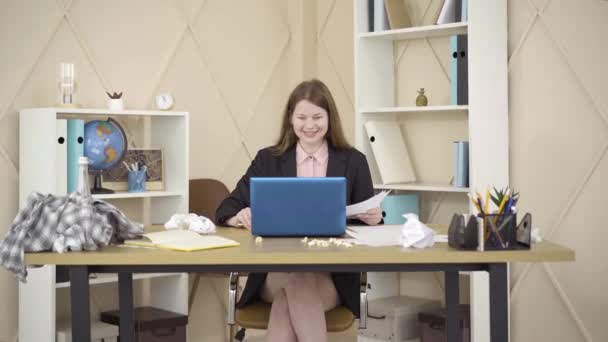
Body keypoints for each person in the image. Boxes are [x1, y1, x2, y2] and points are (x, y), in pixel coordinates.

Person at [215, 79, 382, 342]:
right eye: (302, 117)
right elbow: (226, 207)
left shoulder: (353, 161)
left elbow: (370, 218)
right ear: (290, 120)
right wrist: (239, 216)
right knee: (295, 281)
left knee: (292, 292)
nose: (310, 125)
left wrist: (374, 218)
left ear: (330, 118)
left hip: (331, 277)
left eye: (317, 116)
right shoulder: (268, 160)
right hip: (275, 272)